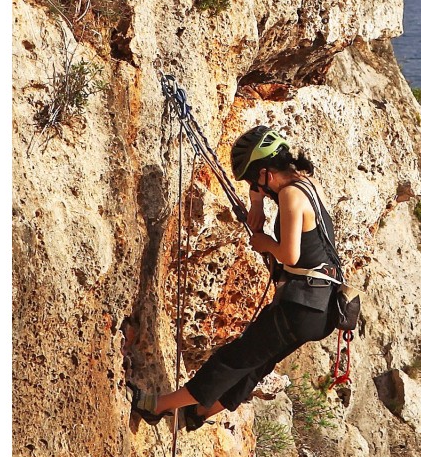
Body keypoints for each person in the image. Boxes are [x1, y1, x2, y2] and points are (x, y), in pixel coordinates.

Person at [129, 125, 341, 430]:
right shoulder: (306, 184)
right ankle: (198, 413)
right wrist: (256, 204)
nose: (256, 187)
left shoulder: (291, 196)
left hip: (301, 305)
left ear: (266, 173)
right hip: (321, 308)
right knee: (255, 365)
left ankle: (155, 406)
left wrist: (264, 242)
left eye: (255, 180)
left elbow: (291, 255)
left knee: (235, 359)